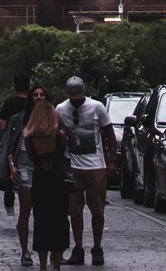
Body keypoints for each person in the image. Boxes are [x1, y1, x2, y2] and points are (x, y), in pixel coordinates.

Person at [57, 77, 114, 267]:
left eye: (78, 98)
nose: (76, 101)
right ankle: (78, 248)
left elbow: (109, 133)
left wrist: (110, 161)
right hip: (73, 167)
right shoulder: (61, 109)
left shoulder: (97, 107)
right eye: (73, 98)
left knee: (97, 211)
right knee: (75, 211)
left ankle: (97, 247)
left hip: (95, 166)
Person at [24, 87, 71, 271]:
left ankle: (43, 265)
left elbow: (30, 157)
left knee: (41, 221)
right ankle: (57, 264)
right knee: (59, 221)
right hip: (57, 180)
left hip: (40, 181)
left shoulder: (30, 138)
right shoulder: (59, 136)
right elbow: (63, 152)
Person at [0, 75, 30, 216]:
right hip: (27, 144)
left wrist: (2, 137)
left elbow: (3, 125)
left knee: (8, 170)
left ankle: (9, 204)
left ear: (15, 85)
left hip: (11, 142)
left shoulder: (9, 102)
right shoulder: (32, 103)